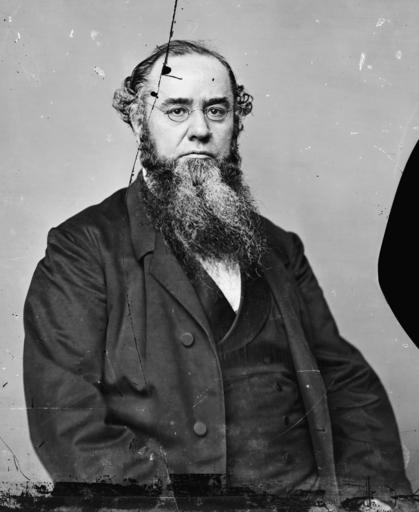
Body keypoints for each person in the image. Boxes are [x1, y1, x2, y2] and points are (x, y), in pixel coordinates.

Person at [23, 40, 414, 510]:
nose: (200, 130)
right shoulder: (84, 247)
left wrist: (372, 496)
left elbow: (346, 380)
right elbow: (68, 421)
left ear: (237, 123)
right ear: (138, 122)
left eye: (216, 110)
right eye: (176, 111)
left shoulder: (280, 247)